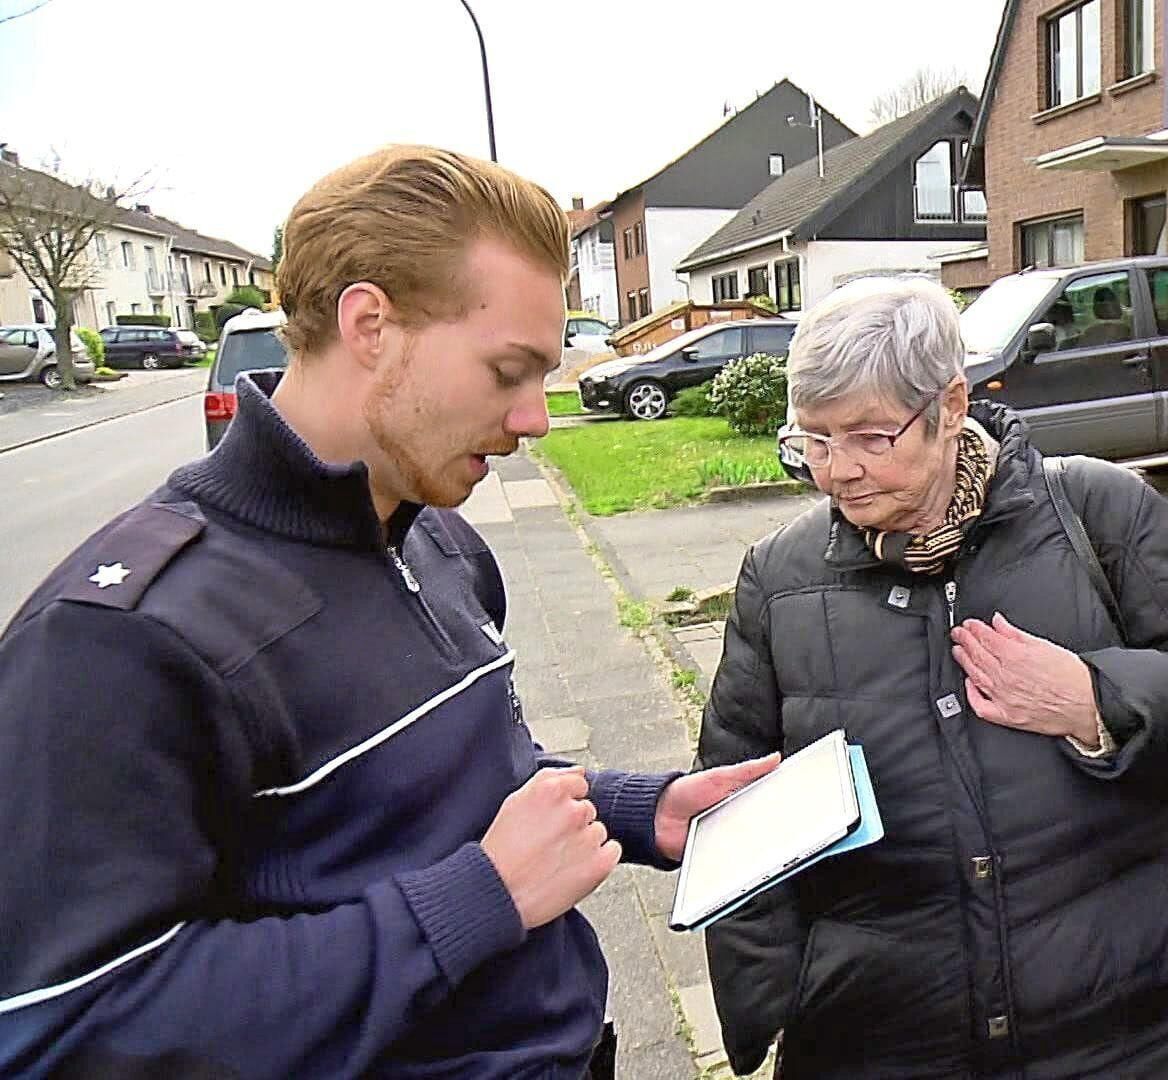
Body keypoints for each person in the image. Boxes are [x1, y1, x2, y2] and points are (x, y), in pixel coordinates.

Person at [0, 146, 777, 1078]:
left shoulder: (435, 538)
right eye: (508, 371)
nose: (536, 418)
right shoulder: (119, 640)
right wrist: (477, 900)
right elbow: (68, 1027)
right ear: (370, 324)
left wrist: (636, 810)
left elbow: (466, 784)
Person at [696, 277, 1168, 1078]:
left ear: (949, 406)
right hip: (888, 1045)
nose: (837, 471)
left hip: (1133, 1034)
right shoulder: (779, 580)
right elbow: (731, 800)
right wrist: (774, 1004)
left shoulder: (1098, 513)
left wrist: (1096, 702)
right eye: (815, 439)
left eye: (870, 437)